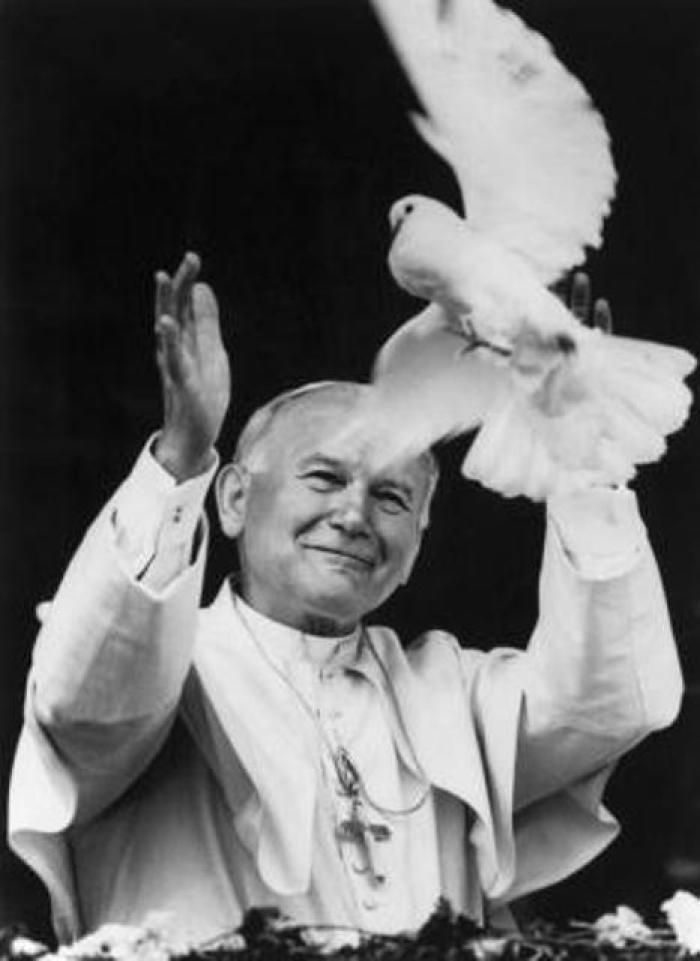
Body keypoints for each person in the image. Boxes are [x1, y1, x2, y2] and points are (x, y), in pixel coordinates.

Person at [9, 252, 682, 945]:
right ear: (236, 498)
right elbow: (86, 703)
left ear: (418, 539)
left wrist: (584, 471)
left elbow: (613, 701)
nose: (356, 515)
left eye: (392, 496)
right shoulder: (158, 659)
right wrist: (179, 458)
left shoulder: (448, 690)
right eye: (325, 477)